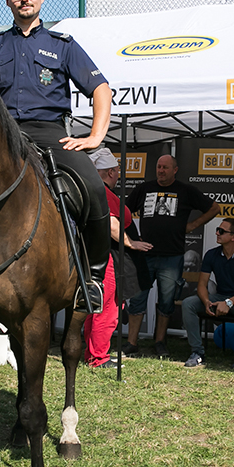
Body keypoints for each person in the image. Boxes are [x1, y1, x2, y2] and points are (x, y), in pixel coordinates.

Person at [0, 0, 113, 310]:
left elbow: (100, 88)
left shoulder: (62, 44)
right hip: (2, 135)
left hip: (49, 132)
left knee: (94, 188)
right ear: (7, 1)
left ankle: (92, 280)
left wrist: (95, 136)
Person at [124, 154, 220, 358]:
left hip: (172, 256)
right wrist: (130, 237)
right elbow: (124, 212)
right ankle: (132, 343)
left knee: (166, 302)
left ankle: (160, 342)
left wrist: (194, 225)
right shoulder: (144, 188)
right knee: (138, 298)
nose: (161, 170)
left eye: (165, 167)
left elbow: (214, 208)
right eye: (159, 167)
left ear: (175, 170)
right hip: (145, 253)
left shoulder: (185, 190)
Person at [85, 148, 152, 368]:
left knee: (100, 305)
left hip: (102, 255)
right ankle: (98, 357)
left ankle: (92, 352)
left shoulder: (93, 190)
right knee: (108, 308)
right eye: (117, 171)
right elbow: (110, 224)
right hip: (109, 257)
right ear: (111, 172)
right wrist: (131, 242)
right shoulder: (104, 194)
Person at [181, 218, 234, 370]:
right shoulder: (212, 254)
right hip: (219, 298)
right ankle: (197, 352)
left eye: (221, 231)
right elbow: (202, 284)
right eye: (217, 229)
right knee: (188, 303)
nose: (217, 233)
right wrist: (206, 301)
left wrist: (229, 302)